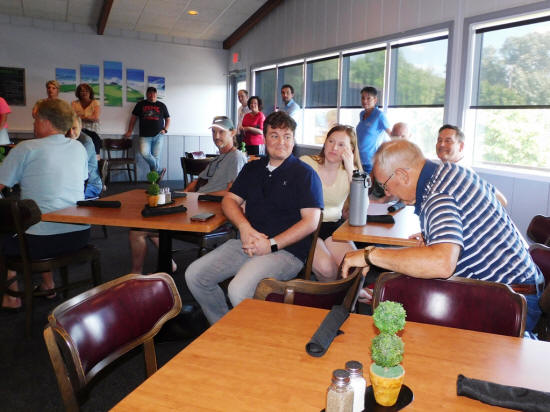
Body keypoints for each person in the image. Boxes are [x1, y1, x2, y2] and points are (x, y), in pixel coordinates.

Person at [340, 139, 543, 333]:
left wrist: (370, 255)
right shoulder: (451, 172)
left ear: (402, 175)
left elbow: (442, 263)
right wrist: (436, 235)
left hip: (509, 302)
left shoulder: (438, 195)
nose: (387, 193)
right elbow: (483, 211)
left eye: (385, 185)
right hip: (518, 289)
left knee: (407, 317)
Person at [185, 111, 323, 324]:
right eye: (274, 135)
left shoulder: (305, 174)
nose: (281, 142)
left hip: (286, 251)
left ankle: (254, 337)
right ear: (264, 138)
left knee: (238, 290)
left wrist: (271, 244)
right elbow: (229, 201)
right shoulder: (252, 168)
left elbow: (311, 222)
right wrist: (244, 228)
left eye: (287, 136)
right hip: (247, 243)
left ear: (293, 140)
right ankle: (224, 328)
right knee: (195, 275)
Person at [0, 99, 89, 309]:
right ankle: (48, 285)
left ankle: (11, 297)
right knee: (36, 216)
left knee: (9, 226)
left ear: (46, 122)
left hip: (39, 241)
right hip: (79, 235)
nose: (33, 124)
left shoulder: (26, 148)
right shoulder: (79, 148)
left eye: (36, 119)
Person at [129, 116, 246, 274]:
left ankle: (136, 275)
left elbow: (232, 193)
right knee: (150, 220)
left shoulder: (236, 157)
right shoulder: (217, 159)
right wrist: (182, 194)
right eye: (213, 132)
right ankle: (167, 264)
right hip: (197, 204)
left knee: (138, 231)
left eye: (221, 132)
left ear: (232, 133)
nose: (216, 136)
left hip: (212, 212)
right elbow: (197, 182)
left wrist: (198, 195)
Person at [300, 125, 362, 282]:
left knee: (355, 267)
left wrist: (350, 168)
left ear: (351, 150)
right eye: (331, 141)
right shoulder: (306, 163)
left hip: (333, 226)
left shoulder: (352, 173)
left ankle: (347, 295)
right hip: (306, 225)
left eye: (341, 145)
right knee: (327, 268)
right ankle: (334, 296)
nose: (334, 148)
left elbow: (361, 208)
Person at [436, 124, 507, 206]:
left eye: (448, 141)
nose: (442, 144)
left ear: (461, 146)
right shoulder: (440, 167)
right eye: (439, 140)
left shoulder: (465, 173)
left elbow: (502, 201)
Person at [124, 86, 170, 180]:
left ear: (156, 94)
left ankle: (154, 179)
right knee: (144, 153)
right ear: (146, 94)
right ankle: (159, 170)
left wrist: (165, 129)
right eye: (149, 94)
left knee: (156, 157)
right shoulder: (141, 104)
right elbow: (133, 118)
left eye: (153, 94)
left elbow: (168, 119)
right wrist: (129, 130)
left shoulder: (162, 105)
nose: (151, 96)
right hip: (144, 136)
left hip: (159, 135)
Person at [66, 115, 102, 199]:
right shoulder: (65, 139)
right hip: (76, 183)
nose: (71, 133)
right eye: (67, 129)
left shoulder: (85, 141)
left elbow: (76, 169)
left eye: (74, 128)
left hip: (91, 185)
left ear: (81, 126)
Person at [356, 86, 391, 173]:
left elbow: (392, 135)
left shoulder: (379, 115)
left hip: (371, 162)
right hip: (359, 160)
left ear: (375, 100)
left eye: (368, 98)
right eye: (363, 98)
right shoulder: (362, 114)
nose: (365, 101)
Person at [71, 83, 102, 158]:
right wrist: (88, 117)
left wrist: (80, 116)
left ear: (90, 92)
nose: (84, 93)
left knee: (94, 147)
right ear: (78, 93)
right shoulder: (74, 103)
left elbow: (95, 117)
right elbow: (72, 117)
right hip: (80, 130)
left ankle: (96, 161)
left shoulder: (95, 103)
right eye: (81, 91)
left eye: (86, 91)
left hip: (93, 130)